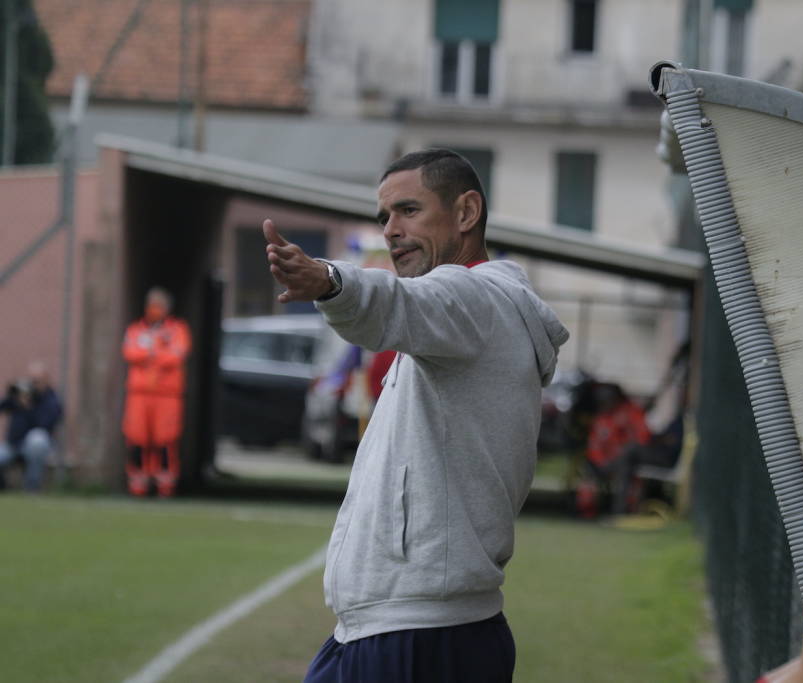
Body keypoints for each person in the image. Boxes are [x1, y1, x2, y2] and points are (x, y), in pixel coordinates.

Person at [263, 148, 569, 683]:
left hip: (421, 634)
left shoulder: (475, 297)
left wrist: (330, 280)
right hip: (395, 625)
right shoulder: (467, 310)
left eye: (408, 210)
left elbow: (392, 304)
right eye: (384, 217)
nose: (391, 230)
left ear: (467, 213)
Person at [121, 286, 192, 497]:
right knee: (137, 438)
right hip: (139, 394)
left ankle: (165, 485)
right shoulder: (135, 329)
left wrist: (151, 354)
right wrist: (156, 352)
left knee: (165, 439)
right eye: (152, 305)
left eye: (159, 305)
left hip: (166, 395)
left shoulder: (178, 330)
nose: (155, 310)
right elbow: (129, 353)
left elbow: (176, 356)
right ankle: (138, 484)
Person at [578, 382, 651, 516]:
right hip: (603, 464)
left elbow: (643, 438)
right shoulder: (601, 418)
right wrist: (602, 463)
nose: (605, 403)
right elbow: (594, 447)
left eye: (608, 399)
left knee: (627, 470)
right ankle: (587, 513)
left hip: (626, 462)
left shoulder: (631, 412)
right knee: (587, 476)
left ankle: (621, 512)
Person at [0, 361, 62, 491]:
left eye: (37, 381)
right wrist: (11, 395)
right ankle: (4, 488)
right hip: (13, 444)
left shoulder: (51, 399)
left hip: (37, 446)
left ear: (46, 380)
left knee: (37, 439)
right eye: (31, 380)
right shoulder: (22, 394)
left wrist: (29, 407)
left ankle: (32, 488)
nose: (33, 384)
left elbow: (44, 424)